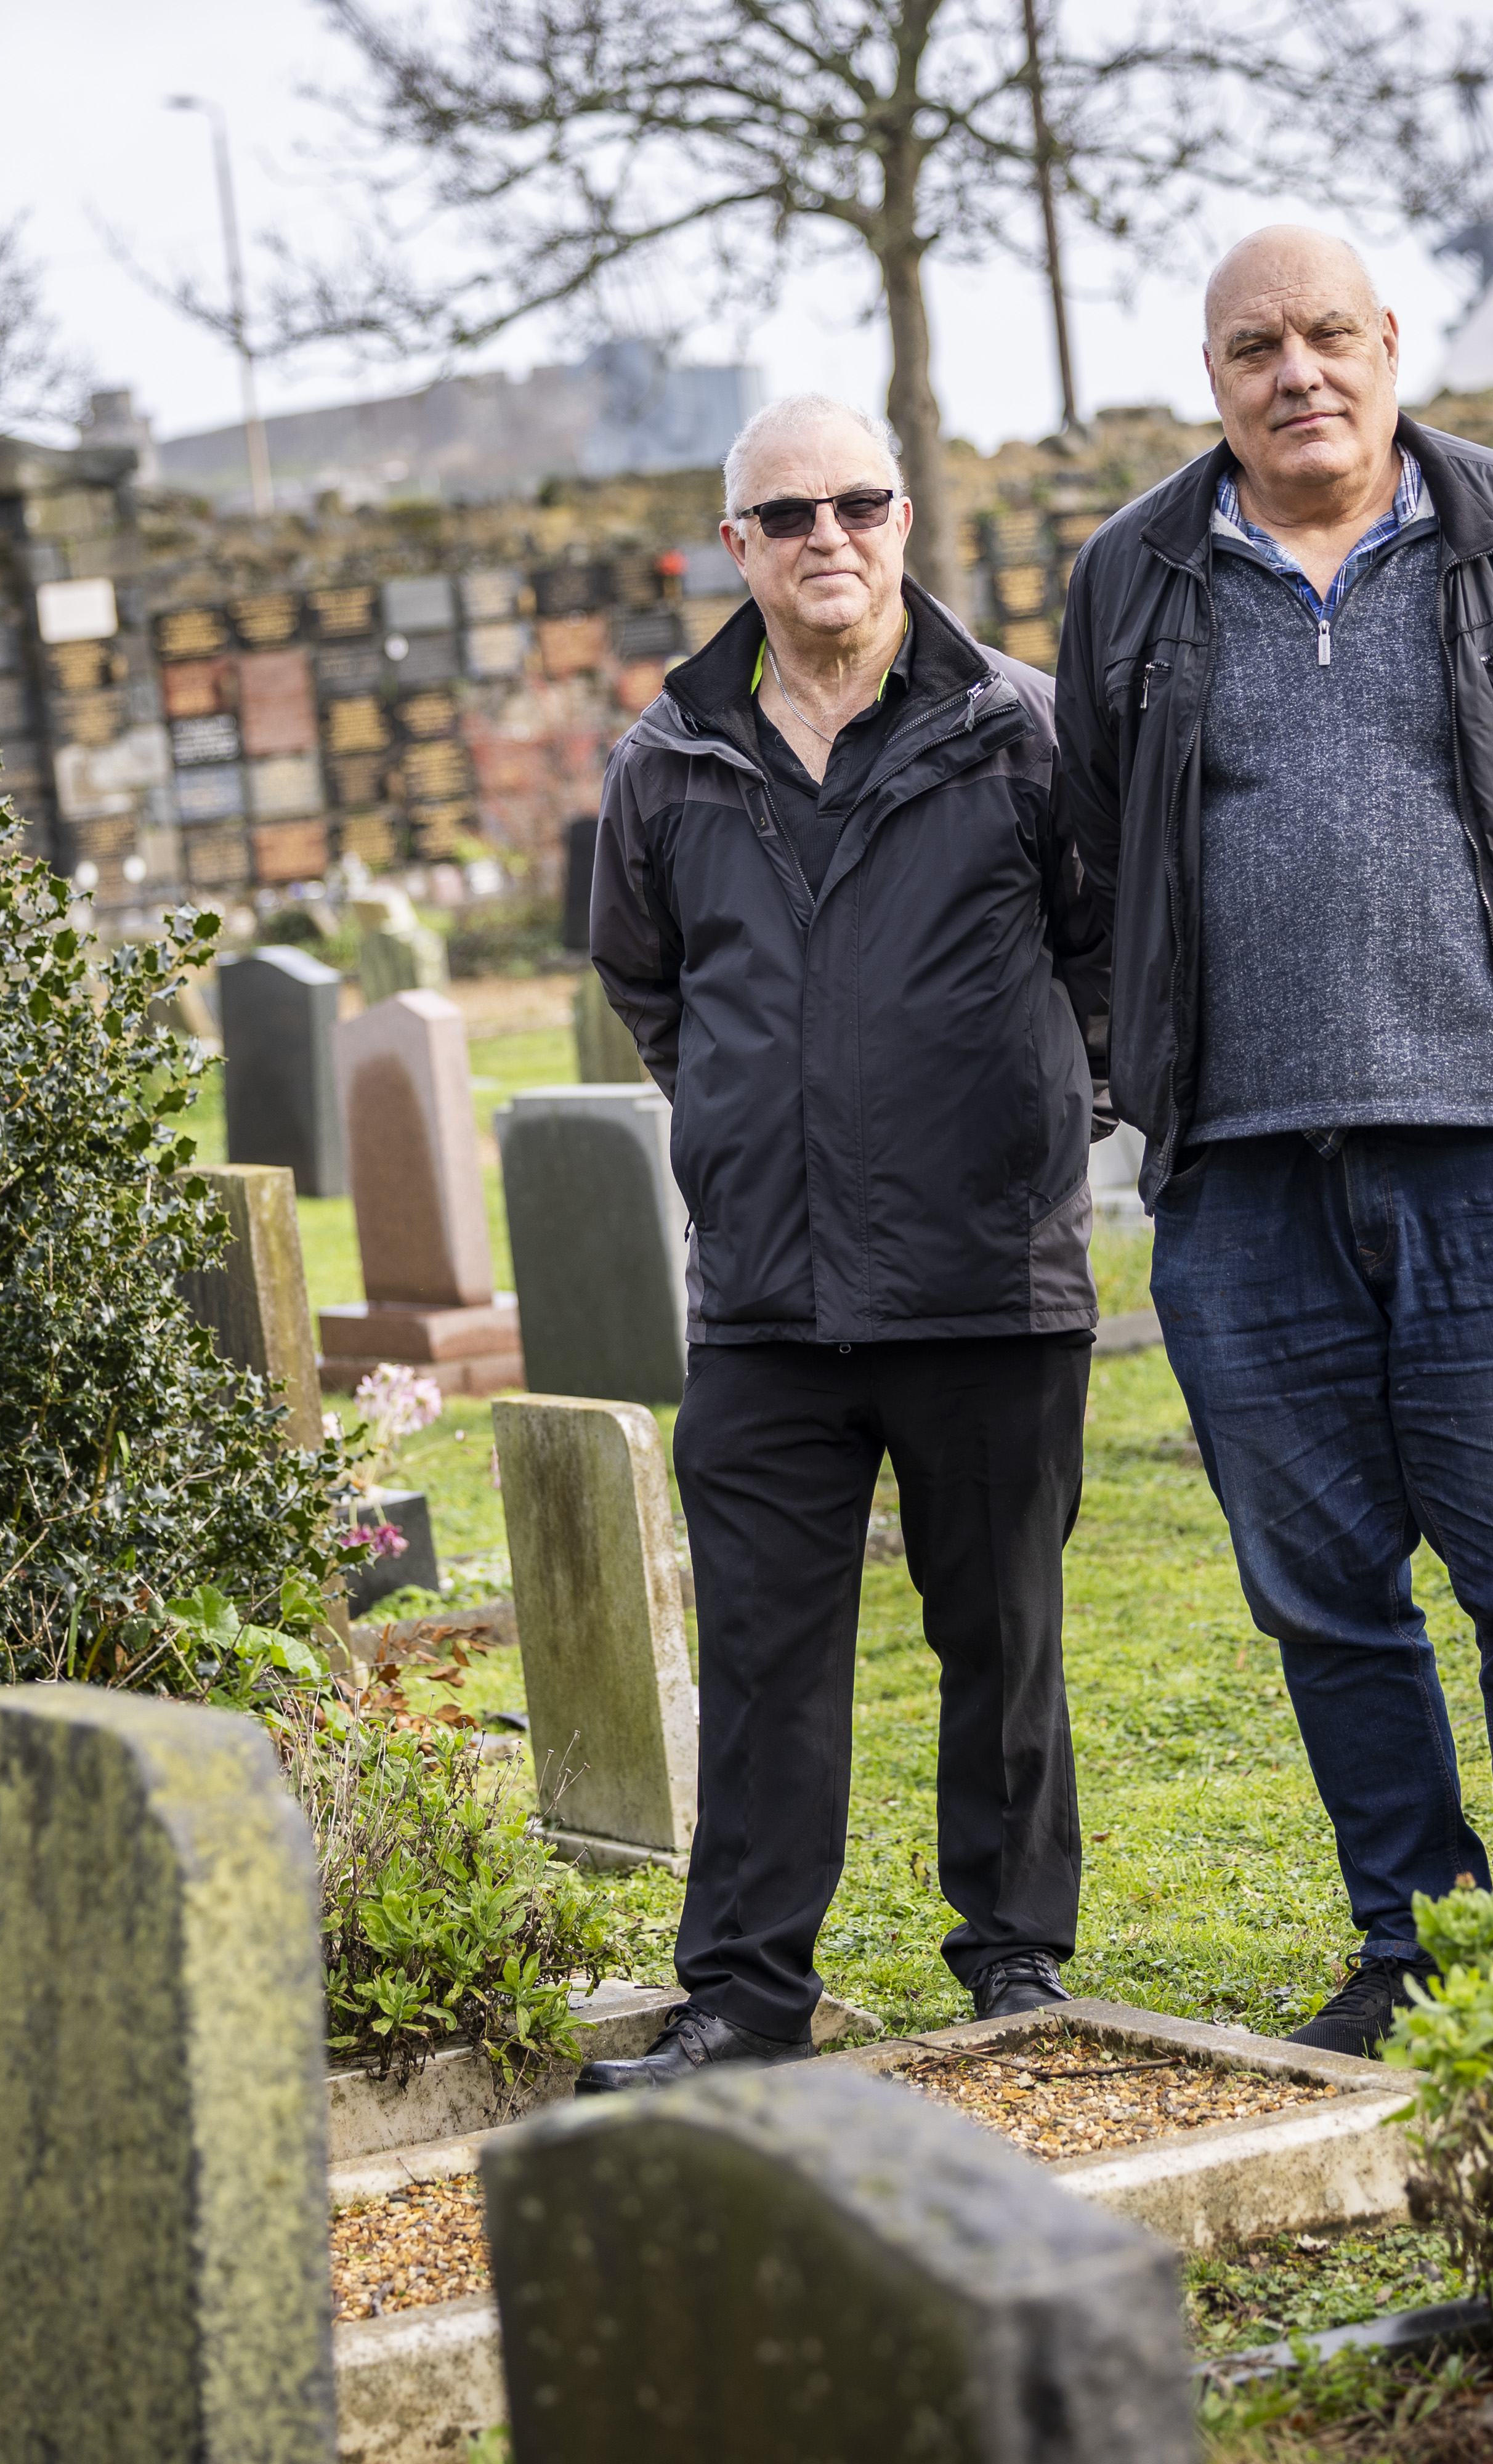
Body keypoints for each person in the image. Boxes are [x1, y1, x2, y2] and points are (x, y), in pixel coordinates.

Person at [1051, 227, 1493, 2056]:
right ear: (1215, 376)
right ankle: (1413, 1950)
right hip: (1243, 1188)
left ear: (1392, 343)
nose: (1297, 372)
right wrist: (1151, 1059)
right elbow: (1092, 866)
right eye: (1256, 346)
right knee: (1324, 1600)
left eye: (1329, 335)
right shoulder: (1138, 577)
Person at [575, 394, 1111, 2091]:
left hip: (987, 1281)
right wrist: (757, 1135)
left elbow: (1105, 959)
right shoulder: (668, 761)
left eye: (857, 507)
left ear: (902, 522)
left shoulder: (1023, 731)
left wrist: (1030, 1123)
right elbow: (650, 985)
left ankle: (1016, 1965)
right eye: (787, 515)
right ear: (735, 546)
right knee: (762, 1659)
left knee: (1002, 1642)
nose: (829, 539)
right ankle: (743, 1995)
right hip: (768, 1302)